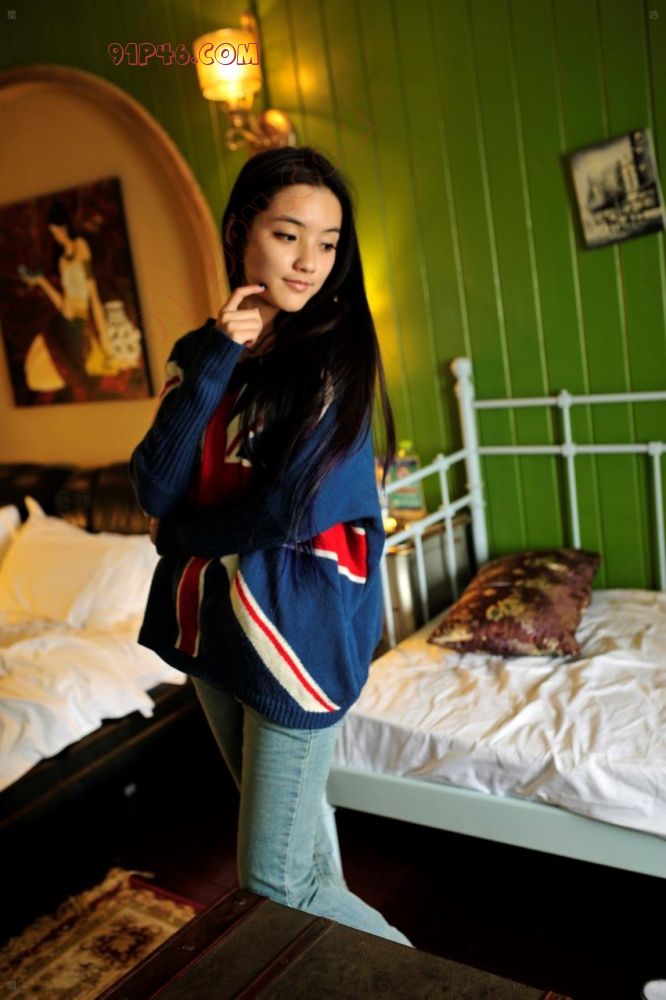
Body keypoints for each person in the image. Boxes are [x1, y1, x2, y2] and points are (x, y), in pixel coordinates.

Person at [128, 146, 413, 947]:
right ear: (239, 233)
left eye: (326, 243)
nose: (309, 261)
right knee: (311, 871)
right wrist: (218, 355)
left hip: (301, 630)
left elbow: (291, 508)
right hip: (215, 625)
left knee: (277, 886)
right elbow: (154, 486)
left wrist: (183, 536)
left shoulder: (335, 356)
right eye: (289, 235)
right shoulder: (201, 355)